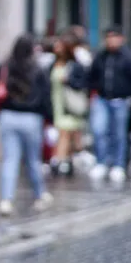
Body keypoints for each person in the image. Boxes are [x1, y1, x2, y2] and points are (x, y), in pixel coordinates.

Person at [0, 35, 53, 217]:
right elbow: (46, 96)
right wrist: (50, 119)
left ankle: (6, 199)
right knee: (33, 160)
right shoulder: (38, 69)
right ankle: (39, 195)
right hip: (31, 118)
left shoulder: (5, 67)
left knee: (10, 160)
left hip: (8, 116)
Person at [87, 26, 131, 183]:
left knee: (119, 134)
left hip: (121, 100)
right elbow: (92, 76)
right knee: (99, 130)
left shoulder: (128, 57)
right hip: (102, 99)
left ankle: (118, 165)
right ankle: (101, 162)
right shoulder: (101, 56)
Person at [48, 33, 87, 177]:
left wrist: (68, 80)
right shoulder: (52, 64)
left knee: (64, 133)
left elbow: (82, 84)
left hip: (69, 105)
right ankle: (65, 160)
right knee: (63, 134)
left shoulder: (74, 65)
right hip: (55, 103)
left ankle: (60, 160)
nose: (56, 48)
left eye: (59, 45)